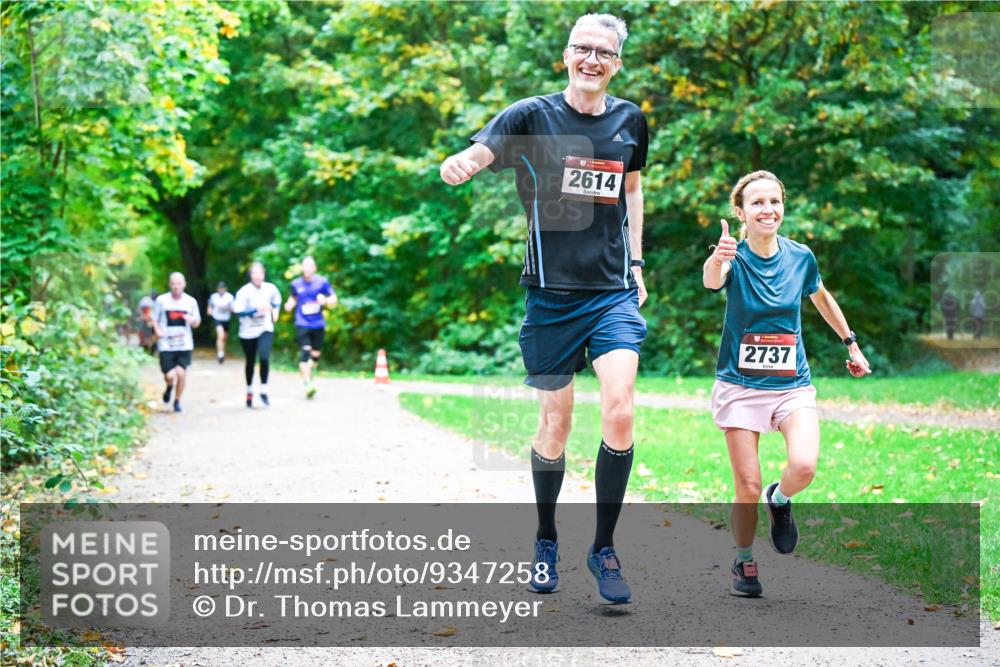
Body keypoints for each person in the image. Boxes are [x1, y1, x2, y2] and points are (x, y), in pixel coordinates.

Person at [439, 13, 649, 604]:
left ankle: (603, 547)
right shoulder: (531, 116)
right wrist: (459, 165)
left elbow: (632, 188)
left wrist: (636, 265)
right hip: (550, 296)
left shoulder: (630, 120)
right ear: (565, 55)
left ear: (616, 63)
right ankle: (546, 537)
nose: (592, 60)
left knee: (620, 411)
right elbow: (478, 153)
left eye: (603, 53)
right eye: (582, 49)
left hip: (611, 292)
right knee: (554, 427)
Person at [703, 170, 872, 598]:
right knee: (747, 484)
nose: (768, 210)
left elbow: (821, 297)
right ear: (740, 212)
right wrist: (719, 257)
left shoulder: (801, 257)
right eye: (757, 203)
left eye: (774, 201)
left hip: (792, 384)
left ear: (783, 207)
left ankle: (780, 500)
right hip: (740, 386)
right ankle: (743, 561)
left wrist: (850, 343)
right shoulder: (733, 256)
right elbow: (711, 280)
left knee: (804, 466)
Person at [284, 256, 337, 398]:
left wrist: (325, 300)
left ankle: (310, 374)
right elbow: (293, 297)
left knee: (315, 356)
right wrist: (289, 304)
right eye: (305, 266)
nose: (307, 269)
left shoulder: (322, 282)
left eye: (310, 266)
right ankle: (308, 383)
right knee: (305, 352)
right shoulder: (296, 283)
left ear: (314, 268)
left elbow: (334, 300)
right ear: (302, 268)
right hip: (302, 322)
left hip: (318, 323)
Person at [233, 262, 281, 408]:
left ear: (264, 274)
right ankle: (249, 391)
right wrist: (255, 309)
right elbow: (238, 311)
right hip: (247, 332)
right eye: (254, 273)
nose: (257, 276)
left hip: (265, 328)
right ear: (250, 275)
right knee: (250, 361)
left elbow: (277, 301)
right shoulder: (244, 292)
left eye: (260, 273)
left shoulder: (270, 288)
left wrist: (275, 311)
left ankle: (264, 391)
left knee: (265, 357)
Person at [153, 274, 201, 413]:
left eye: (179, 283)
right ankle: (169, 387)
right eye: (173, 283)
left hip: (184, 343)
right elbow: (154, 319)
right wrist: (158, 331)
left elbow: (197, 322)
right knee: (170, 375)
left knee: (181, 373)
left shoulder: (190, 301)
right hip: (166, 344)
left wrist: (192, 320)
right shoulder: (162, 300)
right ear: (169, 284)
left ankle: (177, 400)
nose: (176, 286)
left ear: (184, 284)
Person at [207, 281, 234, 364]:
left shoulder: (229, 297)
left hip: (226, 319)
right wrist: (209, 311)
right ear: (217, 289)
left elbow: (233, 308)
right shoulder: (213, 297)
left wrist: (228, 308)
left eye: (222, 288)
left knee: (224, 338)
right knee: (220, 335)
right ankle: (220, 353)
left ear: (225, 289)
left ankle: (222, 351)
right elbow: (209, 307)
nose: (221, 290)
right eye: (220, 288)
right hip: (217, 318)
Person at [137, 290, 158, 356]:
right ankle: (144, 351)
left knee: (154, 337)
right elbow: (140, 309)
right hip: (145, 321)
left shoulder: (158, 301)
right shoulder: (145, 301)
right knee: (144, 336)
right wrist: (143, 316)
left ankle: (151, 352)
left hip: (153, 322)